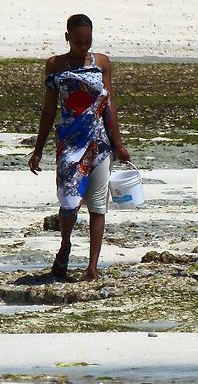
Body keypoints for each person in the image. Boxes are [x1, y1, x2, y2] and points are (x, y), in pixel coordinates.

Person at [28, 14, 130, 282]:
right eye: (78, 41)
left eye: (88, 41)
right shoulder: (55, 65)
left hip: (99, 144)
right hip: (69, 144)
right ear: (68, 37)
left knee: (98, 206)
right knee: (70, 205)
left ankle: (92, 267)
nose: (84, 46)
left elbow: (109, 103)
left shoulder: (102, 63)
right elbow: (49, 108)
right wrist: (38, 149)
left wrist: (118, 143)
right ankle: (65, 246)